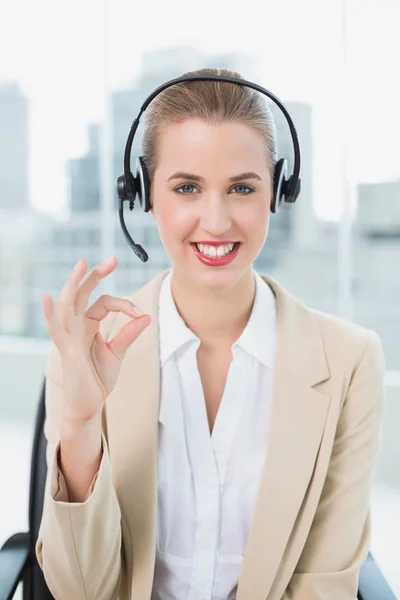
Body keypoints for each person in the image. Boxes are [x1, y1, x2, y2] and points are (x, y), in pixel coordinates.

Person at [36, 68, 386, 600]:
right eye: (187, 188)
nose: (217, 221)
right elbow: (77, 590)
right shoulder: (85, 351)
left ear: (277, 192)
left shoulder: (349, 361)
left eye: (242, 187)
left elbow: (323, 583)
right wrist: (82, 424)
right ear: (144, 194)